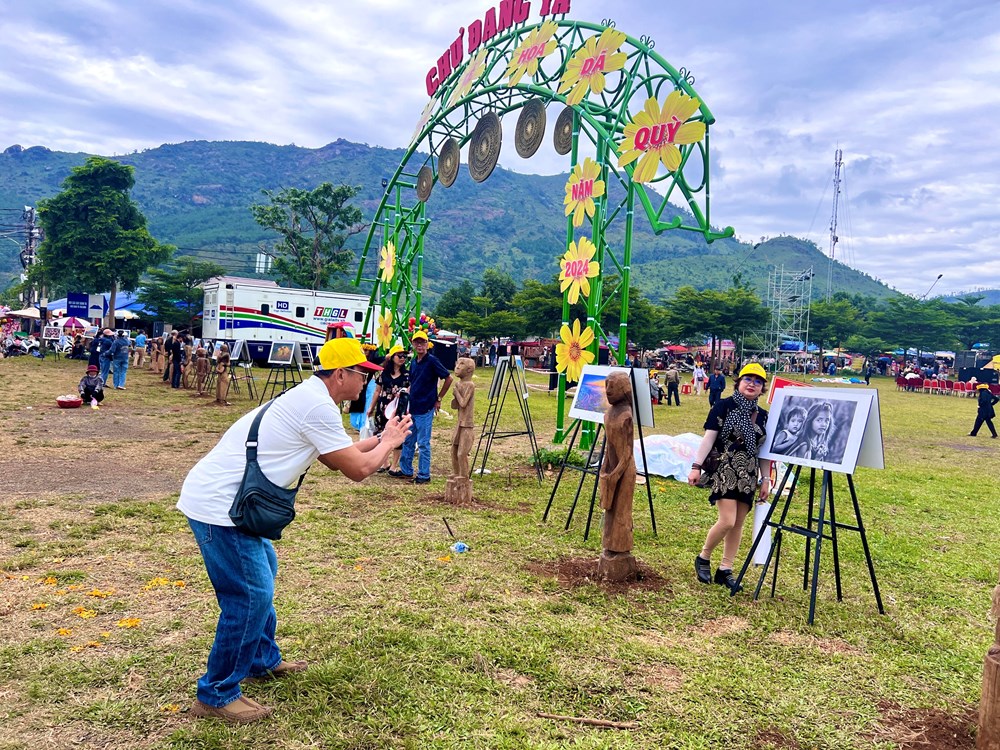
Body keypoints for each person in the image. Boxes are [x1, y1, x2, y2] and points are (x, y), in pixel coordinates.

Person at [177, 337, 412, 724]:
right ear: (341, 375)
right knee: (250, 596)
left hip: (231, 503)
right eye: (363, 375)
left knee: (262, 576)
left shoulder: (310, 397)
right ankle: (216, 694)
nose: (366, 383)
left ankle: (260, 659)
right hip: (220, 508)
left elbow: (338, 457)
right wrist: (388, 443)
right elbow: (358, 470)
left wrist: (384, 439)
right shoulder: (317, 406)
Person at [688, 362, 772, 592]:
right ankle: (703, 557)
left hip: (749, 474)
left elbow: (764, 451)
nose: (752, 384)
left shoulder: (764, 416)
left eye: (758, 381)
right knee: (727, 521)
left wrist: (766, 479)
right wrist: (696, 466)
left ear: (762, 387)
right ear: (738, 382)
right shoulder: (723, 406)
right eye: (748, 379)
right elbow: (708, 438)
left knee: (738, 525)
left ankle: (725, 569)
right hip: (726, 470)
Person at [393, 330, 452, 484]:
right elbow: (413, 382)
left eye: (423, 342)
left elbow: (448, 378)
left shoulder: (432, 361)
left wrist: (438, 398)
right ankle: (406, 470)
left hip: (426, 408)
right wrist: (406, 394)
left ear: (427, 344)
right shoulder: (413, 362)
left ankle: (424, 475)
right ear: (412, 344)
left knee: (423, 443)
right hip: (413, 408)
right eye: (417, 342)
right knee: (408, 440)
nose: (420, 345)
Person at [368, 344, 409, 472]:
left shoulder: (407, 375)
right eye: (400, 356)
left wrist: (404, 393)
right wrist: (371, 407)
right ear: (392, 357)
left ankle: (394, 465)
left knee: (398, 435)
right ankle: (384, 462)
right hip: (383, 406)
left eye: (405, 356)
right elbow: (377, 391)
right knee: (381, 433)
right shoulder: (383, 373)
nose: (402, 358)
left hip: (398, 408)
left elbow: (410, 390)